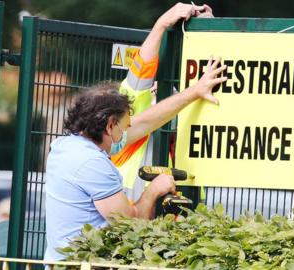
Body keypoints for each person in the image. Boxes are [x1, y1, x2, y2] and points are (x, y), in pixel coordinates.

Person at [44, 3, 226, 261]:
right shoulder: (93, 161)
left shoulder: (68, 146)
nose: (130, 126)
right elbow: (127, 222)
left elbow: (145, 122)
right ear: (109, 125)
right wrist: (154, 190)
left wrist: (194, 90)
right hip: (113, 247)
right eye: (124, 124)